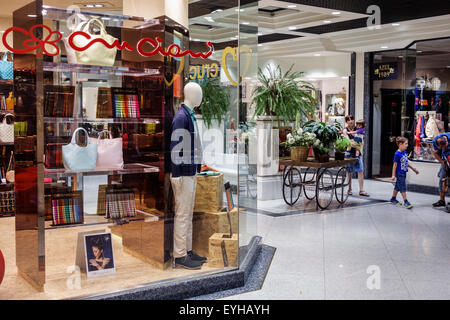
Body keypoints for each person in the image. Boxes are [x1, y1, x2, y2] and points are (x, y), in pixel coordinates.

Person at [343, 115, 369, 196]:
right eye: (349, 120)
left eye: (352, 119)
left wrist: (357, 145)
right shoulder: (345, 130)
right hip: (349, 153)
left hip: (358, 153)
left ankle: (361, 190)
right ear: (346, 121)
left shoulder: (358, 128)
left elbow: (362, 142)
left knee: (360, 170)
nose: (351, 121)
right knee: (349, 171)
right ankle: (349, 189)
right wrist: (356, 145)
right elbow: (347, 142)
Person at [390, 137, 419, 209]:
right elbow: (395, 165)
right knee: (402, 187)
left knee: (397, 186)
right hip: (399, 173)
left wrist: (413, 169)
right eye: (406, 144)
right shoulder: (397, 154)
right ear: (400, 144)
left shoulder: (404, 152)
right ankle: (406, 201)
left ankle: (393, 198)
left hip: (404, 173)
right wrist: (393, 175)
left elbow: (406, 163)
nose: (407, 145)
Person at [432, 133, 450, 207]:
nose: (443, 149)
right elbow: (435, 153)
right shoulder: (435, 141)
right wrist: (442, 162)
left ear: (447, 141)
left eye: (445, 147)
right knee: (442, 180)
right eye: (441, 148)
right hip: (445, 161)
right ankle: (442, 201)